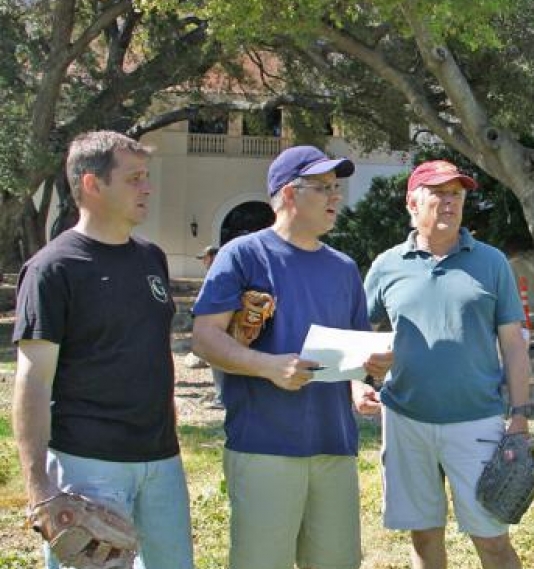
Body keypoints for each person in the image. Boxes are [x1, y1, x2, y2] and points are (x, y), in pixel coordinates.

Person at [191, 145, 391, 569]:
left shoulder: (343, 268)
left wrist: (363, 380)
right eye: (323, 188)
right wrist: (268, 366)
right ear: (288, 194)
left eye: (336, 187)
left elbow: (354, 349)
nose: (336, 196)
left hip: (334, 444)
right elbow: (205, 339)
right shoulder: (242, 254)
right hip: (264, 444)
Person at [11, 130, 195, 569]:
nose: (147, 187)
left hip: (161, 464)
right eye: (134, 178)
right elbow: (33, 380)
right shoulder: (52, 269)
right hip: (88, 469)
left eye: (146, 176)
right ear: (92, 185)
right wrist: (39, 490)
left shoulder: (152, 259)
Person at [364, 160, 532, 569]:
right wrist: (360, 381)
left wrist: (521, 413)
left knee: (491, 539)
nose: (449, 201)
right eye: (437, 192)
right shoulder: (386, 265)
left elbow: (513, 344)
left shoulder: (492, 263)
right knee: (423, 535)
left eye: (456, 193)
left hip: (477, 422)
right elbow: (358, 332)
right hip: (405, 421)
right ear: (412, 203)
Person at [195, 245, 224, 408]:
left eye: (205, 258)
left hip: (219, 324)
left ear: (213, 257)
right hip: (214, 322)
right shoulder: (217, 272)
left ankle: (221, 399)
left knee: (218, 361)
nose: (203, 262)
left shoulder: (220, 273)